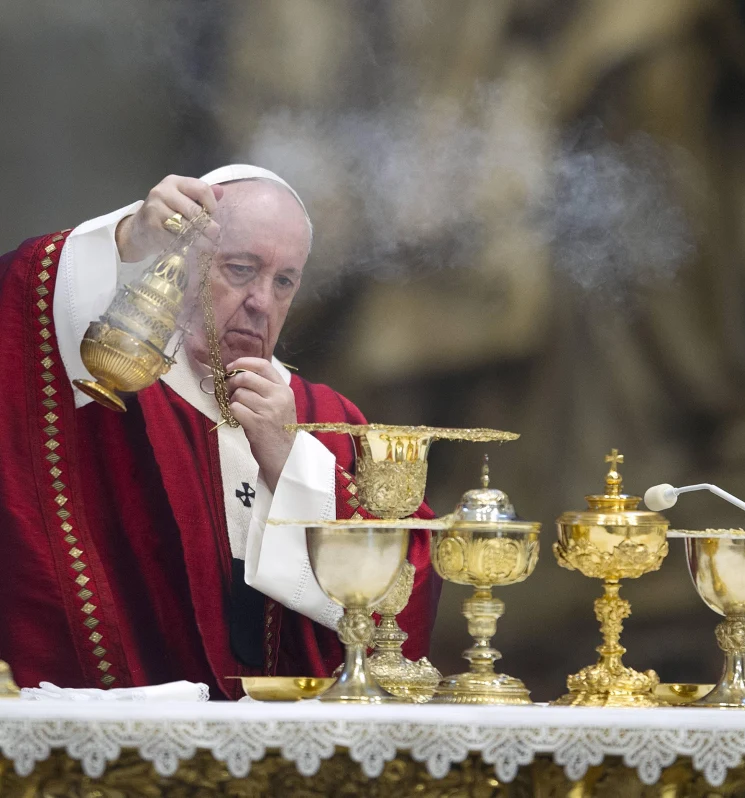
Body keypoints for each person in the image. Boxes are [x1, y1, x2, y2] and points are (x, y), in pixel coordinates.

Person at [0, 165, 439, 698]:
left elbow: (409, 580)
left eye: (283, 282)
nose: (261, 301)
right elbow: (23, 303)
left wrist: (289, 459)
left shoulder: (328, 417)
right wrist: (129, 238)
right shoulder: (110, 373)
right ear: (183, 262)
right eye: (239, 268)